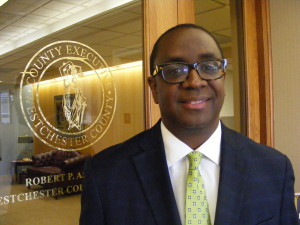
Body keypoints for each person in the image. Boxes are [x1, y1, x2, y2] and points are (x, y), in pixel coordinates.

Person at [80, 24, 298, 225]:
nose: (195, 81)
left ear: (222, 76)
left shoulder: (274, 169)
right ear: (154, 88)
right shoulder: (105, 173)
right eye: (175, 70)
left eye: (209, 67)